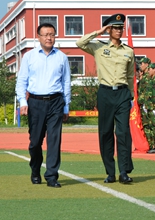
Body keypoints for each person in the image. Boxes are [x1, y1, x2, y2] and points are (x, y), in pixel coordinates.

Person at [76, 13, 135, 184]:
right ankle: (110, 172)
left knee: (123, 132)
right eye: (115, 28)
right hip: (105, 93)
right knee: (105, 133)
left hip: (123, 94)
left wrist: (130, 96)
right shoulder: (98, 47)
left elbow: (130, 75)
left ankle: (124, 171)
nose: (119, 30)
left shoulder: (128, 51)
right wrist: (99, 31)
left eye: (120, 28)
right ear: (109, 29)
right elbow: (80, 43)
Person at [15, 23, 71, 188]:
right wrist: (23, 102)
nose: (49, 38)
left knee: (54, 140)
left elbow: (66, 82)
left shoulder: (61, 57)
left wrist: (66, 106)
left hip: (56, 102)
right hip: (35, 102)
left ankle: (52, 176)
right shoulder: (29, 57)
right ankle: (35, 170)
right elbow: (21, 81)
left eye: (52, 34)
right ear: (38, 37)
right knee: (35, 141)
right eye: (46, 34)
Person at [138, 62, 155, 153]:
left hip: (153, 108)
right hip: (149, 107)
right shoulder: (152, 80)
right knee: (151, 127)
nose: (149, 71)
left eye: (150, 69)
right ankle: (153, 145)